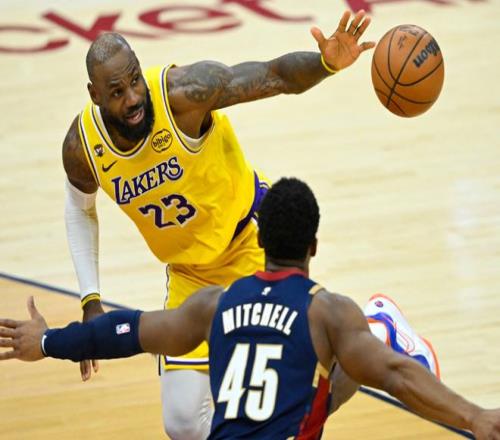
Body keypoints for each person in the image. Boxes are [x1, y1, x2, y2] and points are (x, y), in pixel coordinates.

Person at [62, 7, 375, 438]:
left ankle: (375, 332)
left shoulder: (186, 94)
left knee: (279, 398)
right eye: (116, 91)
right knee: (183, 423)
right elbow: (79, 208)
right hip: (190, 273)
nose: (133, 98)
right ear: (94, 95)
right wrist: (90, 299)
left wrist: (326, 64)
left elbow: (274, 75)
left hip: (252, 245)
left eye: (135, 81)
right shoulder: (82, 148)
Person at [2, 178, 499, 439]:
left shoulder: (213, 305)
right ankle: (380, 329)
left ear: (259, 241)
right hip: (306, 391)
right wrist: (474, 417)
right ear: (314, 247)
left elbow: (126, 331)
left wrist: (46, 341)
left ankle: (380, 331)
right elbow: (397, 375)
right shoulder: (326, 313)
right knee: (348, 360)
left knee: (331, 366)